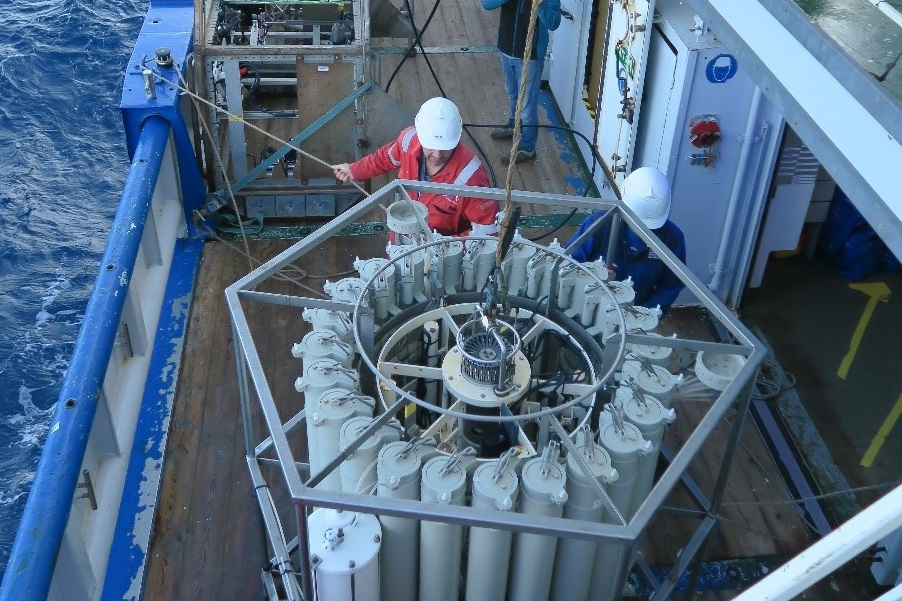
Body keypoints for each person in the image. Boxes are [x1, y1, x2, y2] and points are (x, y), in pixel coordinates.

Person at [332, 97, 498, 237]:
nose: (438, 155)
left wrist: (445, 248)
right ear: (420, 136)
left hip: (442, 258)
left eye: (445, 148)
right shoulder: (407, 141)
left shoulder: (471, 178)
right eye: (430, 147)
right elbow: (384, 159)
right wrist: (354, 170)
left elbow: (487, 233)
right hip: (402, 236)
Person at [567, 167, 687, 315]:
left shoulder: (673, 239)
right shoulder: (599, 224)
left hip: (636, 314)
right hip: (587, 306)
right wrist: (592, 275)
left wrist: (643, 316)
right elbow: (568, 263)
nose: (644, 231)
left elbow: (671, 285)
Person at [482, 0, 560, 164]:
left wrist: (541, 5)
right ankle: (514, 126)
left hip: (530, 58)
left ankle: (527, 147)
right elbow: (487, 4)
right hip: (506, 51)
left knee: (527, 107)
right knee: (512, 94)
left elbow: (554, 23)